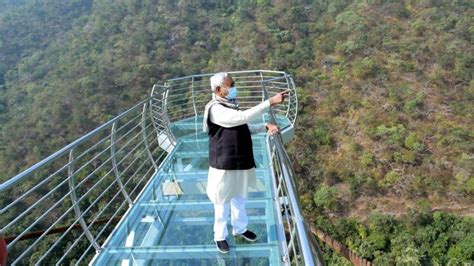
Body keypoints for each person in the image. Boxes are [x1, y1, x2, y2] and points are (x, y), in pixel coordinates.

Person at [202, 72, 288, 253]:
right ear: (218, 90)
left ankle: (240, 229)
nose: (233, 87)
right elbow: (241, 118)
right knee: (222, 202)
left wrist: (264, 126)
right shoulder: (215, 108)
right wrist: (269, 102)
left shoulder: (229, 105)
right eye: (230, 85)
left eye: (233, 83)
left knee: (240, 198)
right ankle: (220, 236)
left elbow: (242, 127)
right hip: (223, 164)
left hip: (240, 160)